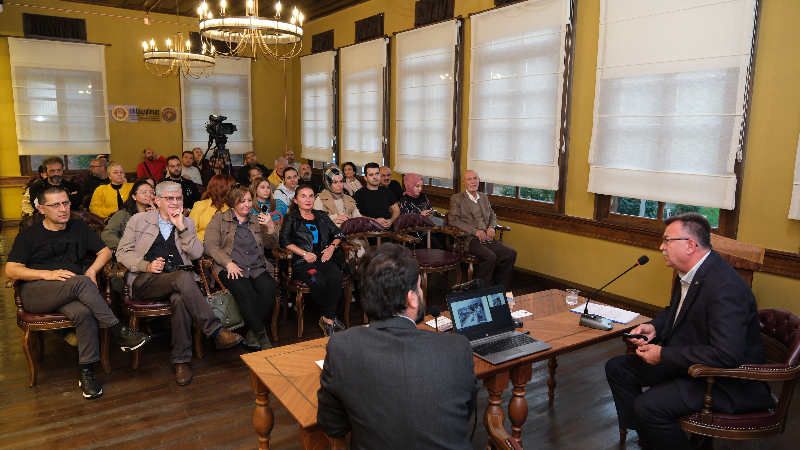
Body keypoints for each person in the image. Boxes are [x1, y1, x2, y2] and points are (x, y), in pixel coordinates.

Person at [605, 213, 773, 450]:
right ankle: (649, 440)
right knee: (618, 368)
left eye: (667, 240)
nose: (661, 246)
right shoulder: (690, 272)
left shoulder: (725, 287)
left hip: (723, 381)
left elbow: (726, 355)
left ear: (690, 245)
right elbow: (677, 310)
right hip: (691, 363)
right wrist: (655, 327)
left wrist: (663, 355)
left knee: (648, 406)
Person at [317, 244, 479, 449]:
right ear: (411, 298)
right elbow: (464, 414)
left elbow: (332, 426)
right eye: (419, 287)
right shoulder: (458, 347)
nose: (421, 293)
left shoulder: (341, 346)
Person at [5, 186, 151, 399]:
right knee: (81, 282)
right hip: (37, 292)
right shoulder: (29, 235)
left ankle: (86, 371)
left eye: (65, 203)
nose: (63, 209)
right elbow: (10, 270)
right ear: (41, 209)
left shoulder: (79, 228)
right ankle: (119, 331)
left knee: (84, 313)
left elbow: (105, 252)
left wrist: (92, 270)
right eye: (55, 205)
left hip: (70, 290)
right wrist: (47, 274)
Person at [116, 181, 244, 386]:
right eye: (169, 198)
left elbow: (197, 253)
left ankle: (181, 362)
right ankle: (215, 330)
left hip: (178, 283)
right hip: (146, 281)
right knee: (184, 278)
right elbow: (122, 252)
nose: (175, 203)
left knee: (180, 299)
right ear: (157, 200)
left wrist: (181, 227)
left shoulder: (187, 223)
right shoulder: (139, 220)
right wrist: (146, 265)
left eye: (179, 198)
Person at [204, 184, 279, 350]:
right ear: (232, 202)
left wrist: (271, 227)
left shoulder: (257, 220)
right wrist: (228, 262)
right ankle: (261, 334)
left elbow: (271, 245)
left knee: (269, 287)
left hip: (256, 266)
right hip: (231, 267)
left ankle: (252, 332)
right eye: (242, 201)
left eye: (249, 200)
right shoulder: (219, 220)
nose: (247, 204)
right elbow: (210, 246)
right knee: (245, 291)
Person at [279, 185, 348, 337]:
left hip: (324, 255)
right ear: (296, 200)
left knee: (335, 277)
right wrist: (304, 253)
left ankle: (327, 318)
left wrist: (331, 248)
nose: (308, 199)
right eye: (303, 196)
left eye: (311, 196)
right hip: (302, 259)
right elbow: (284, 241)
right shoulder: (291, 218)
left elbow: (338, 234)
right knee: (319, 281)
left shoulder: (321, 215)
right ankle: (330, 318)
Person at [449, 170, 517, 292]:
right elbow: (453, 220)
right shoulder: (457, 199)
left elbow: (492, 215)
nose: (473, 181)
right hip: (469, 239)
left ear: (479, 180)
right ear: (464, 183)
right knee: (490, 257)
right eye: (469, 179)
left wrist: (491, 227)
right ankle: (479, 292)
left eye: (475, 178)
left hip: (486, 237)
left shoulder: (483, 197)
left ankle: (499, 289)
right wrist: (475, 231)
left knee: (510, 253)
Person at [314, 166, 364, 257]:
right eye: (335, 182)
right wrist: (336, 217)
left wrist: (348, 222)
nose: (339, 185)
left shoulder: (348, 198)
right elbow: (316, 220)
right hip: (330, 239)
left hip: (350, 234)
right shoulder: (320, 198)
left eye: (341, 181)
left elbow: (359, 219)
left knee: (359, 252)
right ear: (328, 183)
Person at [102, 180, 156, 251]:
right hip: (129, 251)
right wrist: (127, 246)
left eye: (151, 192)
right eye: (143, 192)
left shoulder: (158, 212)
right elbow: (107, 235)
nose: (148, 195)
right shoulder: (122, 214)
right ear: (134, 196)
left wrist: (157, 216)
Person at [398, 172, 447, 247]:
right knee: (432, 241)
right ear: (410, 185)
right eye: (417, 186)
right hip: (416, 230)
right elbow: (406, 221)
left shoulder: (423, 196)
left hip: (430, 225)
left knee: (446, 237)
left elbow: (430, 209)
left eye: (421, 186)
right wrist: (420, 215)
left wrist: (431, 213)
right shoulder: (404, 201)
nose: (420, 189)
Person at [352, 162, 399, 230]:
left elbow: (396, 210)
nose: (375, 177)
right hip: (369, 230)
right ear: (365, 178)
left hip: (388, 229)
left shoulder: (386, 191)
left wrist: (391, 220)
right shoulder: (359, 194)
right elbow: (355, 214)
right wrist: (374, 221)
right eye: (371, 175)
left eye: (377, 173)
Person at [188, 174, 235, 242]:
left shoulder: (230, 208)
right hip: (201, 245)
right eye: (231, 187)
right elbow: (191, 231)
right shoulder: (200, 205)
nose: (233, 191)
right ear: (221, 188)